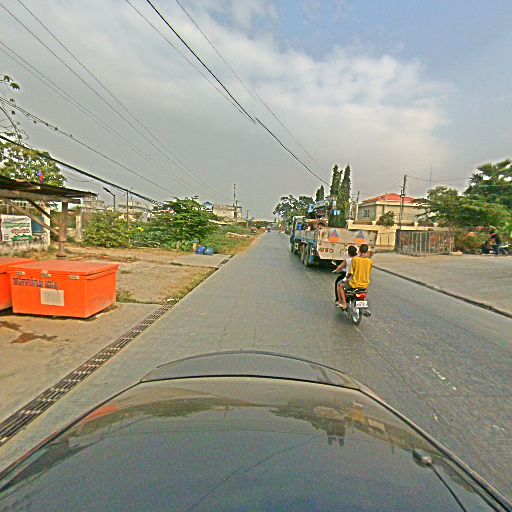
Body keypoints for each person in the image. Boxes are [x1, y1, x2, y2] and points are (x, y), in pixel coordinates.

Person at [338, 244, 373, 310]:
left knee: (341, 286)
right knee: (364, 292)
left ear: (359, 250)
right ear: (367, 251)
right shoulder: (370, 261)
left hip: (354, 284)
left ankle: (344, 303)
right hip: (365, 284)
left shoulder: (355, 259)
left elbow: (351, 272)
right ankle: (362, 302)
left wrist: (346, 278)